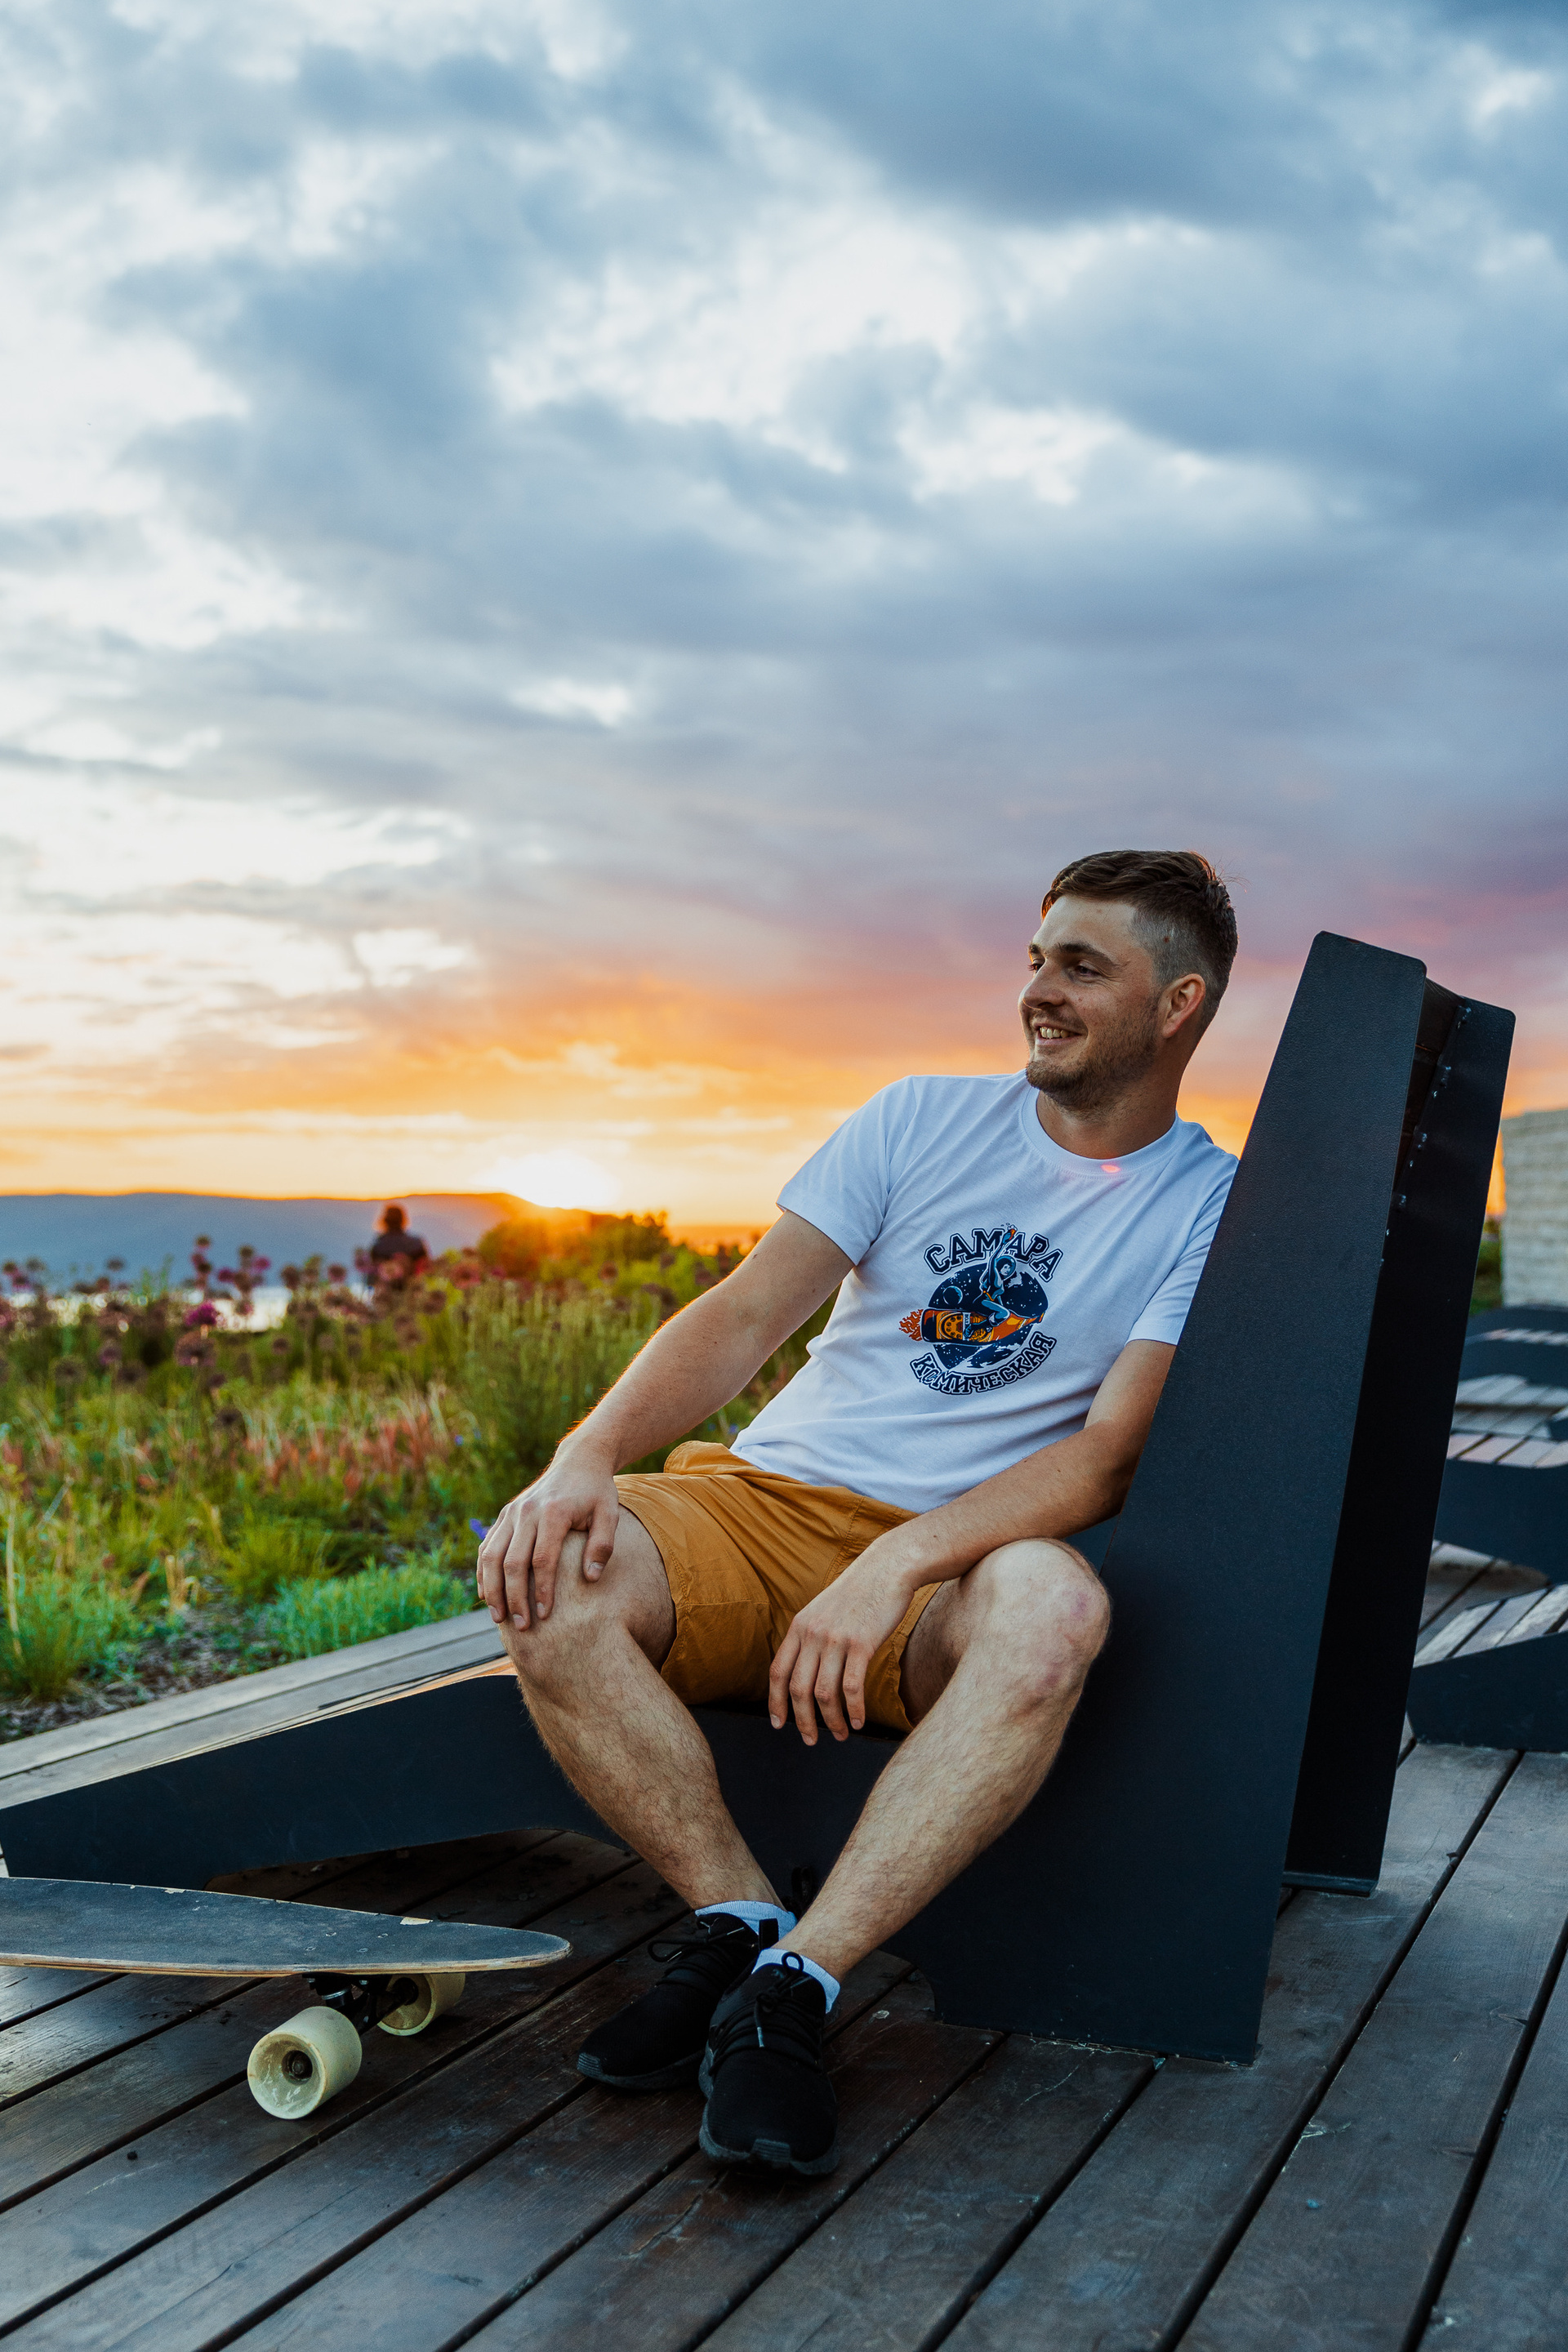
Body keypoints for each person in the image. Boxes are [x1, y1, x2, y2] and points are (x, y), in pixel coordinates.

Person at [477, 849, 1239, 2177]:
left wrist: (900, 1561)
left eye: (1083, 966)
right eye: (1036, 960)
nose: (1040, 991)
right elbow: (742, 1319)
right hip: (759, 1504)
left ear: (1180, 1005)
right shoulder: (918, 1119)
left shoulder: (1206, 1200)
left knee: (1055, 1609)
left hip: (949, 1564)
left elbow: (1109, 1456)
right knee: (547, 1571)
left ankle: (798, 1987)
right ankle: (735, 1920)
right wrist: (585, 1453)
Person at [367, 1204, 429, 1285]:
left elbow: (371, 1274)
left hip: (384, 1289)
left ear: (385, 1221)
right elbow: (426, 1269)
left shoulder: (378, 1246)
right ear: (403, 1220)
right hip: (413, 1287)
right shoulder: (417, 1244)